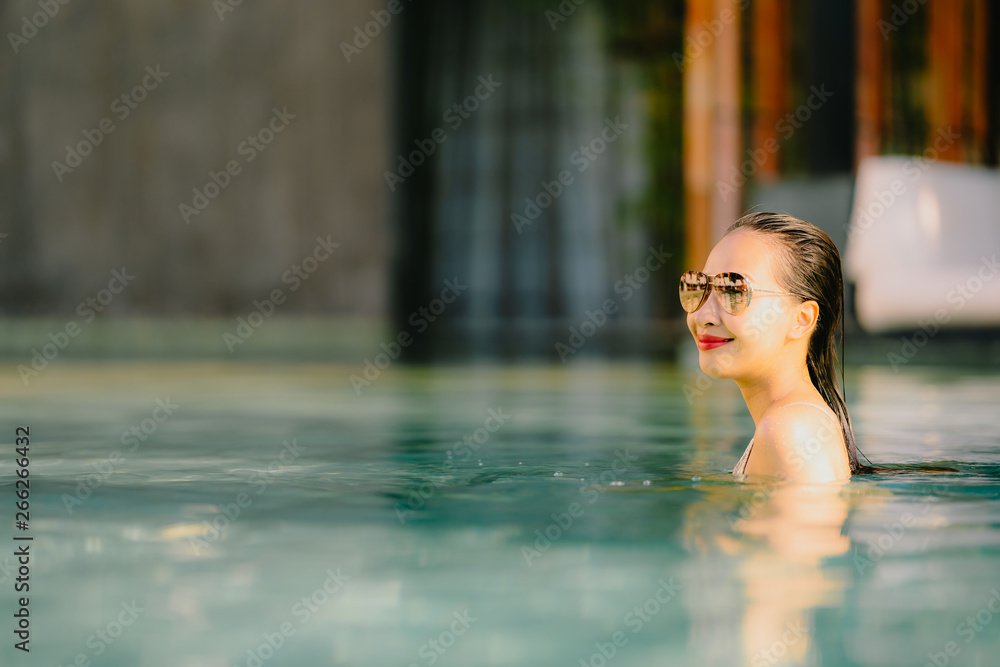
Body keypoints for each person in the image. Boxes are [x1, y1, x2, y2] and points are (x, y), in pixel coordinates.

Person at [679, 211, 871, 482]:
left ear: (801, 320)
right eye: (698, 287)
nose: (703, 316)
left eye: (733, 290)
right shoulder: (793, 424)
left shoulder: (790, 431)